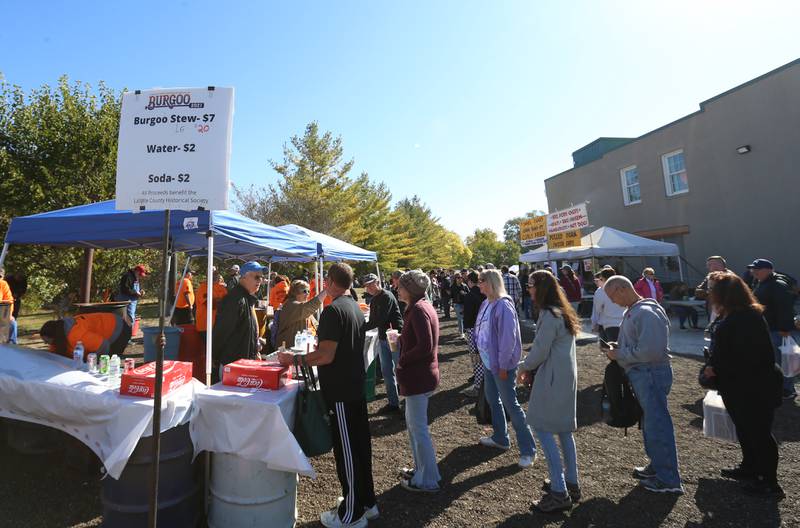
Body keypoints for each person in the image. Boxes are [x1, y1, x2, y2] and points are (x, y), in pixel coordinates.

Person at [278, 263, 377, 528]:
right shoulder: (354, 306)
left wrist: (294, 359)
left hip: (342, 392)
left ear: (329, 282)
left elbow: (325, 355)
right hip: (354, 388)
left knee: (347, 452)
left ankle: (352, 513)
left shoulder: (333, 311)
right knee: (359, 446)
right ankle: (366, 501)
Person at [703, 272, 784, 499]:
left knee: (758, 433)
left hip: (753, 387)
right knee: (746, 429)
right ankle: (750, 467)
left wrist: (714, 368)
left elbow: (746, 357)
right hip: (742, 385)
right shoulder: (740, 315)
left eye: (713, 291)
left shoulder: (743, 319)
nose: (710, 295)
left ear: (724, 295)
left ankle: (769, 482)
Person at [604, 275, 683, 494]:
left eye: (612, 296)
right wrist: (619, 348)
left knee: (657, 423)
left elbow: (650, 351)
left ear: (621, 289)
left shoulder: (645, 312)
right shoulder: (636, 310)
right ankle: (658, 466)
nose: (613, 301)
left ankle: (669, 479)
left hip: (650, 373)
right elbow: (643, 345)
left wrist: (619, 353)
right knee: (650, 422)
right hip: (645, 373)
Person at [518, 270, 580, 512]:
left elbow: (540, 351)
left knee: (542, 429)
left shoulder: (548, 314)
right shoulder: (561, 312)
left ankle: (559, 491)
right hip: (564, 376)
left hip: (552, 378)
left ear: (541, 287)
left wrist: (523, 367)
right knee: (564, 430)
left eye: (531, 284)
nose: (528, 288)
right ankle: (570, 482)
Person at [474, 269, 536, 467]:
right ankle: (501, 437)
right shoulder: (487, 303)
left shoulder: (503, 305)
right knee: (493, 399)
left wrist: (502, 365)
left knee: (512, 405)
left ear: (491, 282)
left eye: (481, 281)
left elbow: (508, 340)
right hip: (489, 363)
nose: (478, 284)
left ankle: (528, 450)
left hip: (501, 365)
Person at [395, 270, 441, 492]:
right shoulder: (419, 307)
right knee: (414, 428)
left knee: (418, 429)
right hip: (419, 376)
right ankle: (423, 470)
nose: (397, 289)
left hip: (418, 377)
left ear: (410, 289)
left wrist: (403, 358)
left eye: (401, 286)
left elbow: (425, 345)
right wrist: (402, 338)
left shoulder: (420, 309)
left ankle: (428, 479)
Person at [749, 259, 799, 401]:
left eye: (757, 269)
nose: (754, 271)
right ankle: (779, 387)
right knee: (775, 360)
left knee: (783, 360)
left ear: (769, 269)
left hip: (778, 330)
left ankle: (787, 390)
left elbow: (785, 307)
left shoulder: (777, 284)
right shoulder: (762, 283)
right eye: (753, 269)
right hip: (769, 328)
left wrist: (784, 328)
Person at [212, 261, 265, 383]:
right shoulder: (236, 300)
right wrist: (214, 357)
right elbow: (222, 332)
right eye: (257, 277)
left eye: (261, 277)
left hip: (243, 363)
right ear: (244, 277)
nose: (260, 281)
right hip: (233, 365)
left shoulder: (246, 298)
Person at [362, 273, 404, 415]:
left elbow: (379, 320)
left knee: (400, 370)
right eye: (367, 285)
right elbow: (374, 320)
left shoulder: (387, 296)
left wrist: (359, 327)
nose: (369, 287)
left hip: (394, 336)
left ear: (378, 282)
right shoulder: (374, 300)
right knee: (386, 371)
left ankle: (406, 405)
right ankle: (393, 402)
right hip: (382, 337)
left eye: (371, 284)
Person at [40, 312, 131, 360]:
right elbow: (55, 354)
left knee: (105, 364)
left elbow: (103, 346)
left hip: (118, 329)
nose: (46, 344)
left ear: (55, 336)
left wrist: (92, 364)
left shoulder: (75, 336)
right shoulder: (59, 336)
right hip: (108, 324)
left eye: (47, 341)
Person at [275, 279, 327, 350]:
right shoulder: (291, 305)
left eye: (309, 291)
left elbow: (316, 325)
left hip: (303, 349)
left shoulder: (301, 306)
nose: (308, 294)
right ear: (295, 292)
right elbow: (309, 307)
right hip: (287, 350)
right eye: (305, 291)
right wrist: (326, 291)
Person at [463, 271, 486, 396]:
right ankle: (484, 384)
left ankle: (478, 387)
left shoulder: (470, 296)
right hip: (485, 329)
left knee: (476, 358)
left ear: (470, 282)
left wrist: (465, 329)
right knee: (485, 357)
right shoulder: (486, 294)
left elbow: (467, 316)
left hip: (472, 329)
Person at [591, 267, 625, 343]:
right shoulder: (623, 287)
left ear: (602, 278)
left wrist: (594, 324)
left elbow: (597, 310)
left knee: (610, 351)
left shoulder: (601, 291)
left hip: (609, 325)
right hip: (624, 323)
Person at [196, 269, 229, 342]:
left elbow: (228, 303)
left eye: (216, 273)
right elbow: (211, 305)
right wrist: (221, 301)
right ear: (207, 275)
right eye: (212, 274)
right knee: (210, 349)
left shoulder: (221, 287)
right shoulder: (203, 288)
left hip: (218, 325)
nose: (215, 276)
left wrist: (218, 300)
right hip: (205, 326)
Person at [0, 268, 18, 343]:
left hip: (1, 314)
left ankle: (12, 347)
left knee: (12, 324)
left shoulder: (3, 284)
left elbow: (9, 301)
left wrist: (9, 315)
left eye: (0, 277)